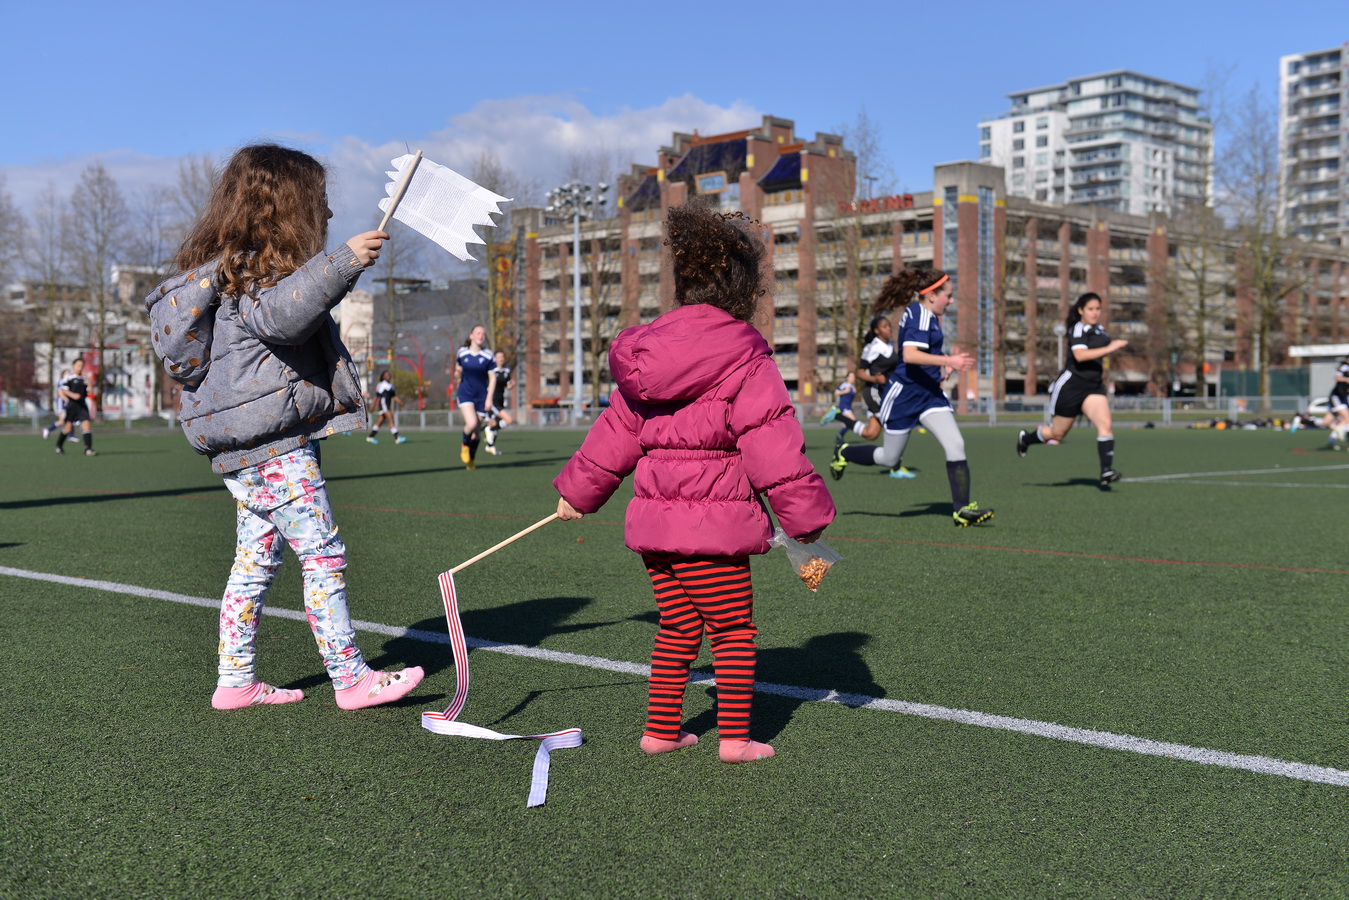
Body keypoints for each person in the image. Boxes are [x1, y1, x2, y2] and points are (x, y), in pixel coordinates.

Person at [553, 201, 835, 763]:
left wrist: (577, 493)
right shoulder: (747, 357)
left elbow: (616, 431)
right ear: (745, 292)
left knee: (678, 626)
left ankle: (661, 732)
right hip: (714, 528)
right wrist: (805, 520)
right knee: (733, 632)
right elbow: (773, 445)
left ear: (682, 283)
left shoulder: (647, 354)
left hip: (656, 529)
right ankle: (735, 740)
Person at [144, 143, 423, 711]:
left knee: (255, 562)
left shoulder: (223, 274)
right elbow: (284, 319)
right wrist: (342, 263)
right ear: (289, 207)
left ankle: (235, 679)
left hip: (244, 451)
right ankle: (350, 677)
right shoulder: (256, 273)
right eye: (318, 201)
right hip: (276, 447)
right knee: (323, 555)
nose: (327, 212)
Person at [830, 267, 993, 526]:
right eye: (948, 295)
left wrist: (942, 364)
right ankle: (845, 452)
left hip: (929, 395)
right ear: (932, 295)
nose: (951, 300)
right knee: (889, 458)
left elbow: (922, 354)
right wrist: (949, 360)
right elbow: (910, 355)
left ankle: (961, 510)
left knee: (955, 444)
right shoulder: (919, 314)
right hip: (903, 396)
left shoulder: (927, 315)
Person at [1016, 292, 1128, 489]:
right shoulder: (1077, 329)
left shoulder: (1100, 329)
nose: (1095, 313)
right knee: (1057, 434)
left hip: (1093, 386)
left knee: (1105, 425)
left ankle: (1106, 471)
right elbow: (1080, 356)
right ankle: (1026, 439)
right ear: (1081, 310)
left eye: (1098, 309)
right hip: (1071, 386)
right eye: (1090, 309)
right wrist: (1111, 347)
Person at [835, 311, 915, 479]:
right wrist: (875, 379)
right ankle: (895, 467)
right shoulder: (872, 347)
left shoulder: (890, 346)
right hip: (874, 392)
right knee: (894, 423)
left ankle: (843, 449)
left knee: (871, 434)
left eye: (890, 326)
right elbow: (859, 372)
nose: (889, 329)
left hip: (887, 393)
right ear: (876, 331)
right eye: (884, 327)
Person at [454, 326, 496, 469]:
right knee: (471, 424)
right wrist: (457, 374)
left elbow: (492, 378)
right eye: (478, 333)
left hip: (481, 396)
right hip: (465, 393)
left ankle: (471, 459)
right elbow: (458, 368)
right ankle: (464, 445)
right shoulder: (462, 352)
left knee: (476, 433)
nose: (481, 335)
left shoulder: (488, 355)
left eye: (483, 333)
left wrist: (489, 398)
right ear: (471, 336)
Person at [53, 358, 96, 456]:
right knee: (68, 428)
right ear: (73, 366)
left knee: (86, 425)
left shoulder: (84, 379)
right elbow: (63, 390)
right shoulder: (68, 377)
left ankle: (88, 449)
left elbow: (90, 390)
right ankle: (59, 445)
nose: (80, 368)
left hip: (82, 405)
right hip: (72, 405)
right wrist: (72, 395)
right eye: (78, 366)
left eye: (82, 366)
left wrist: (88, 379)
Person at [483, 350, 513, 455]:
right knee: (508, 420)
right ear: (494, 359)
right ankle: (490, 429)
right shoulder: (491, 371)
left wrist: (512, 385)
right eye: (498, 357)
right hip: (492, 401)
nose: (501, 359)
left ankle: (490, 446)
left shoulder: (506, 371)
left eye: (502, 356)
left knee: (495, 423)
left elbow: (508, 386)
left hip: (501, 400)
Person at [366, 370, 405, 444]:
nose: (388, 376)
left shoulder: (390, 385)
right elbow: (377, 396)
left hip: (386, 404)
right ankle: (397, 437)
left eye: (389, 375)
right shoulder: (381, 384)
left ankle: (370, 437)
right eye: (386, 375)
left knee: (380, 421)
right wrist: (372, 405)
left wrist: (400, 402)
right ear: (383, 377)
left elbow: (393, 396)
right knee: (391, 419)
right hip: (384, 404)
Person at [42, 365, 72, 440]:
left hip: (66, 404)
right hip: (62, 404)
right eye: (67, 373)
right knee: (62, 421)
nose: (68, 375)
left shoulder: (69, 382)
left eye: (69, 373)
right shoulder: (62, 381)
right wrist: (67, 400)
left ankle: (70, 436)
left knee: (69, 420)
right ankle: (48, 430)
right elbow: (60, 393)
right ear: (63, 375)